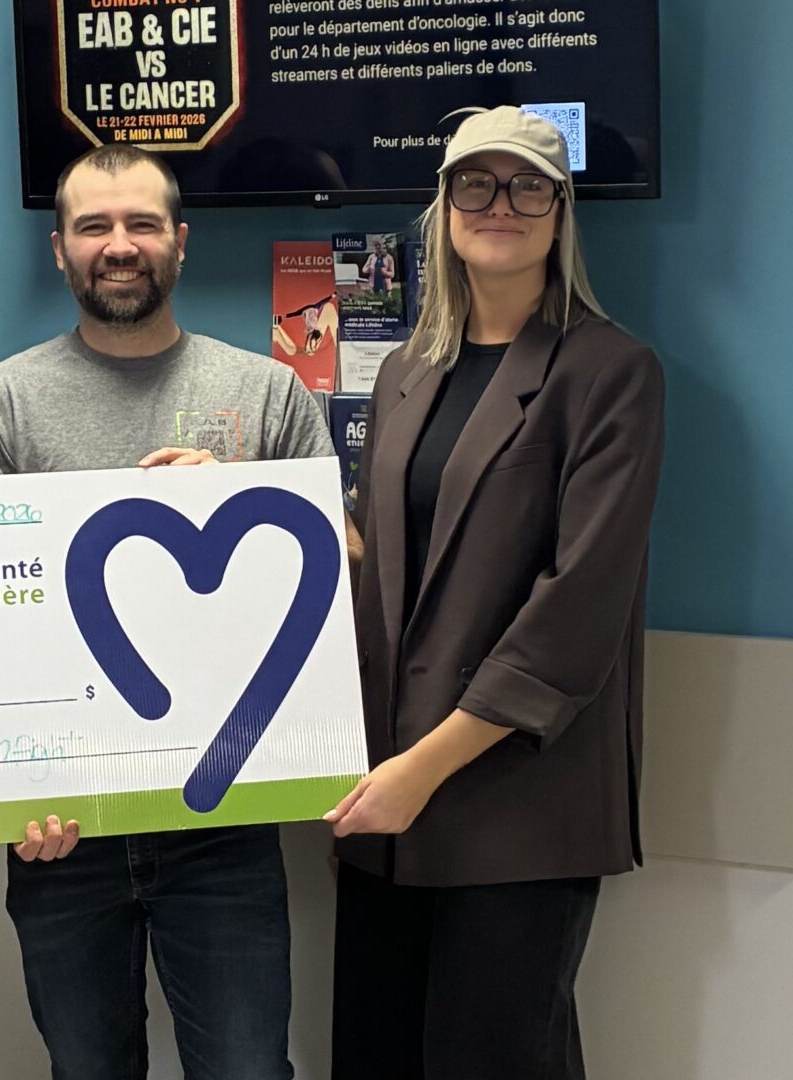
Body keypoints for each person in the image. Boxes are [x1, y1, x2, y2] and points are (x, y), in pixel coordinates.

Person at [0, 144, 344, 1080]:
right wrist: (12, 788)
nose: (118, 246)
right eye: (93, 226)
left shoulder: (267, 393)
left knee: (249, 1069)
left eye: (141, 224)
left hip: (227, 821)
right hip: (63, 832)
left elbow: (339, 576)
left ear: (181, 242)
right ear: (59, 251)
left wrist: (245, 504)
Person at [324, 106, 665, 1080]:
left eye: (526, 187)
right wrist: (228, 501)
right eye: (475, 183)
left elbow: (577, 615)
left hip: (515, 801)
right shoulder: (404, 372)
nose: (499, 205)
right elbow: (378, 569)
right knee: (376, 1057)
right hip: (386, 802)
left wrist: (419, 770)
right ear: (443, 207)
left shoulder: (611, 373)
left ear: (560, 213)